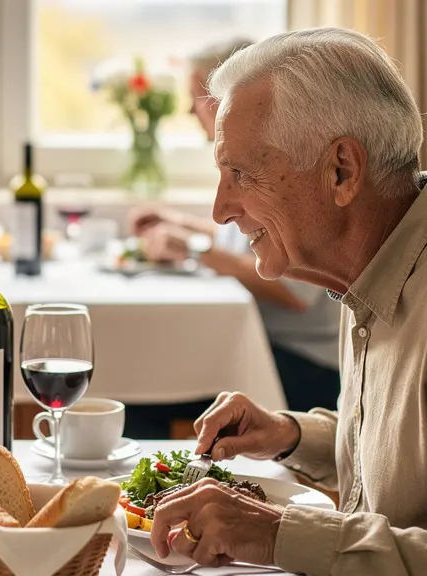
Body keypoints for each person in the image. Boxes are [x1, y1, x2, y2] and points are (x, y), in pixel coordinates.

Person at [144, 28, 427, 576]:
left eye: (240, 173)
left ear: (341, 170)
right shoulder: (366, 264)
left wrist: (275, 534)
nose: (220, 209)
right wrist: (291, 434)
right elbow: (412, 462)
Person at [128, 37, 342, 414]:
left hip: (308, 364)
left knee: (154, 383)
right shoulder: (241, 163)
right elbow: (242, 236)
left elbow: (294, 292)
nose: (189, 111)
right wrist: (179, 224)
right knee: (157, 359)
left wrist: (198, 250)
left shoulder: (280, 165)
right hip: (274, 344)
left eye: (195, 95)